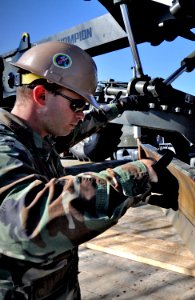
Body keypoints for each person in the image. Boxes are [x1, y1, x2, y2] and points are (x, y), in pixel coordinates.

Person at [0, 41, 177, 299]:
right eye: (77, 105)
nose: (82, 114)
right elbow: (26, 221)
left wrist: (122, 105)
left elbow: (81, 130)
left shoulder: (35, 137)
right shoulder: (4, 145)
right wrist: (134, 177)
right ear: (41, 96)